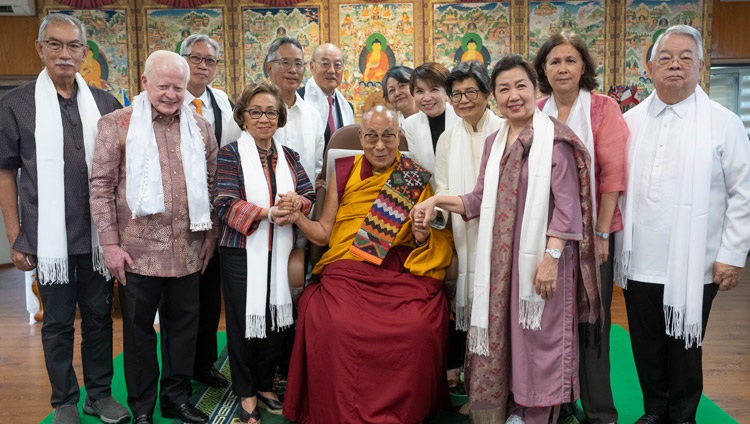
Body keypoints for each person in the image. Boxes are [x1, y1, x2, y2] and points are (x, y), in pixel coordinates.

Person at [412, 55, 601, 423]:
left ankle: (537, 415)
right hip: (502, 261)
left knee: (540, 340)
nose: (513, 95)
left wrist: (550, 259)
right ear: (495, 97)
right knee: (510, 338)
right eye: (504, 89)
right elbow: (478, 199)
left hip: (544, 263)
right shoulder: (495, 142)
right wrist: (435, 200)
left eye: (520, 86)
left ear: (535, 89)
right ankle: (515, 408)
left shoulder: (556, 140)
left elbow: (567, 211)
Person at [282, 105, 454, 423]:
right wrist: (299, 220)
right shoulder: (344, 170)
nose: (379, 145)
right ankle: (340, 410)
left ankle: (404, 411)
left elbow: (428, 239)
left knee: (418, 325)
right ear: (361, 137)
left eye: (388, 136)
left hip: (398, 271)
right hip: (348, 267)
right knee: (335, 324)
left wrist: (419, 235)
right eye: (372, 136)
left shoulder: (412, 176)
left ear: (398, 137)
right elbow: (323, 234)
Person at [615, 25, 750, 424]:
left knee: (685, 343)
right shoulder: (631, 120)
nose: (675, 65)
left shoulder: (723, 122)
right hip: (639, 257)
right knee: (646, 342)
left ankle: (683, 415)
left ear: (700, 66)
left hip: (697, 260)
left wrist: (732, 255)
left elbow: (742, 193)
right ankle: (654, 410)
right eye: (666, 58)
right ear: (650, 67)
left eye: (685, 57)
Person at [0, 14, 129, 424]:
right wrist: (15, 235)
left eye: (74, 45)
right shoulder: (16, 104)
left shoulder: (106, 104)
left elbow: (121, 171)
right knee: (56, 323)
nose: (65, 53)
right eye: (54, 44)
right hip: (47, 236)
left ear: (85, 52)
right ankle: (64, 402)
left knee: (98, 320)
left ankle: (99, 395)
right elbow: (6, 171)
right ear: (40, 49)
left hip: (96, 237)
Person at [89, 50, 219, 424]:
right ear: (144, 82)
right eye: (163, 86)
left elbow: (211, 185)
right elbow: (100, 186)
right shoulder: (116, 124)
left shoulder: (200, 126)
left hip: (189, 249)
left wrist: (209, 236)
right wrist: (110, 245)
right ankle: (143, 407)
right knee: (139, 333)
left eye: (178, 87)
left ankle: (175, 399)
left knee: (183, 330)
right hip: (136, 253)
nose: (171, 95)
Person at [533, 32, 628, 424]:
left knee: (592, 321)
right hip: (548, 233)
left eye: (570, 60)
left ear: (584, 67)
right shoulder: (537, 110)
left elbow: (613, 176)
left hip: (594, 234)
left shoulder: (603, 109)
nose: (562, 68)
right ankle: (558, 404)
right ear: (543, 69)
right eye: (554, 61)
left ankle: (600, 413)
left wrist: (602, 234)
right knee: (553, 324)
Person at [214, 82, 315, 424]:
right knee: (244, 323)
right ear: (242, 116)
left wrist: (295, 204)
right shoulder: (229, 154)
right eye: (255, 112)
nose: (264, 119)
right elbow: (224, 203)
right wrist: (267, 213)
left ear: (279, 117)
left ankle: (265, 384)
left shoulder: (289, 157)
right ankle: (245, 390)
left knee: (276, 320)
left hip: (282, 250)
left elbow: (307, 193)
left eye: (271, 112)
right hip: (242, 251)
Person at [434, 60, 504, 406]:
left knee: (499, 311)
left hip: (502, 234)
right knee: (469, 310)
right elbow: (443, 186)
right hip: (464, 233)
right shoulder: (448, 139)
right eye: (456, 94)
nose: (463, 100)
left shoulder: (506, 130)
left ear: (487, 93)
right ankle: (478, 389)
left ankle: (502, 389)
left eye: (470, 92)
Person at [180, 33, 242, 390]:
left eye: (210, 60)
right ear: (182, 60)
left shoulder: (222, 102)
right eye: (195, 58)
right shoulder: (167, 98)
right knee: (183, 300)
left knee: (207, 294)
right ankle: (179, 368)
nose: (203, 65)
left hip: (215, 216)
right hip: (178, 216)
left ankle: (203, 364)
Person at [266, 36, 324, 184]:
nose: (293, 70)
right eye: (285, 63)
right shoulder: (250, 112)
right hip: (261, 205)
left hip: (302, 204)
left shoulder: (313, 116)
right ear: (269, 68)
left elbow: (317, 167)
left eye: (298, 64)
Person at [402, 62, 460, 175]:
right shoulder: (410, 124)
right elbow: (415, 166)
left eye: (434, 89)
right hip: (429, 189)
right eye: (420, 91)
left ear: (446, 91)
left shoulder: (461, 119)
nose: (427, 98)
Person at [298, 43, 354, 147]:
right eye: (325, 64)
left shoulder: (347, 108)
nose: (332, 70)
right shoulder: (298, 101)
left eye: (337, 65)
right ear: (312, 66)